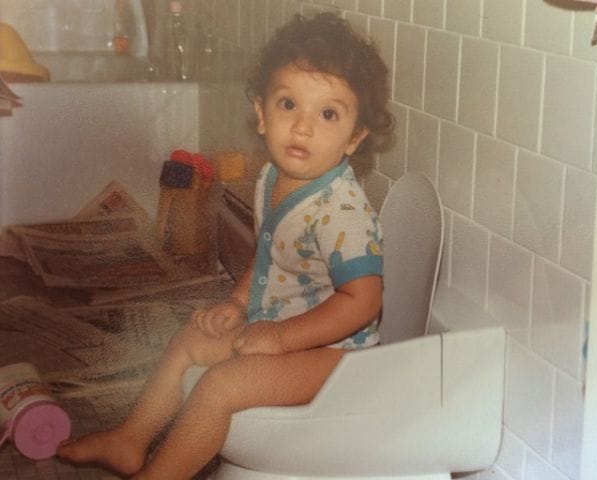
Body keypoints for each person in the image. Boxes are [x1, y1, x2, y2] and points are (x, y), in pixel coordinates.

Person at [57, 12, 394, 480]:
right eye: (288, 104)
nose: (302, 127)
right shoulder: (275, 177)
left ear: (355, 137)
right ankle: (129, 440)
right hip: (281, 331)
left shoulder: (343, 212)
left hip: (338, 359)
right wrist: (238, 303)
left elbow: (363, 302)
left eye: (328, 114)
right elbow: (270, 257)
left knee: (220, 387)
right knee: (189, 341)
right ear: (260, 112)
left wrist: (281, 338)